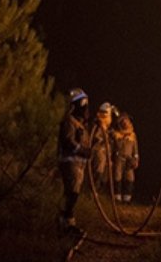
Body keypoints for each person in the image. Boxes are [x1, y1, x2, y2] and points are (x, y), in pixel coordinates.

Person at [57, 88, 92, 234]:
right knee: (71, 193)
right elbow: (68, 141)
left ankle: (68, 222)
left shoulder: (81, 124)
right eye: (84, 105)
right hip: (70, 163)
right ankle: (65, 223)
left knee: (74, 193)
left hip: (79, 165)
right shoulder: (69, 122)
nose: (86, 109)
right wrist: (81, 150)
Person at [111, 111, 140, 203]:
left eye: (126, 120)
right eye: (123, 120)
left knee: (129, 178)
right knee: (117, 177)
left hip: (129, 160)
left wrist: (136, 159)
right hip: (118, 158)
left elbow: (135, 149)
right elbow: (111, 147)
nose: (125, 122)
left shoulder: (132, 135)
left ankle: (127, 199)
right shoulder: (115, 134)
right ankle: (117, 198)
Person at [90, 102, 114, 186]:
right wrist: (102, 140)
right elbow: (95, 138)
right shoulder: (98, 124)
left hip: (106, 150)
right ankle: (94, 184)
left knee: (108, 166)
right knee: (100, 164)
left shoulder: (107, 127)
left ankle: (101, 186)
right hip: (98, 149)